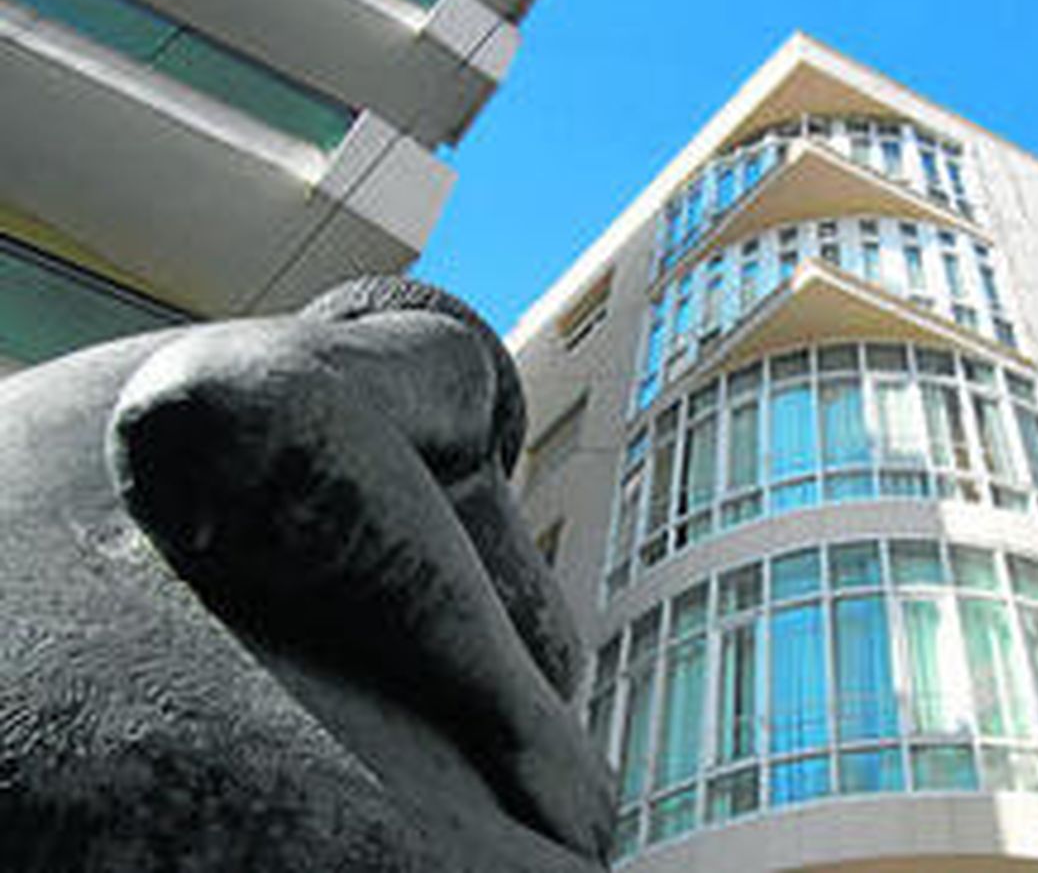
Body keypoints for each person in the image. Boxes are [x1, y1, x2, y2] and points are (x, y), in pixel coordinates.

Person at [0, 277, 613, 871]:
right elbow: (241, 395)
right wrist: (533, 729)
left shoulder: (64, 389)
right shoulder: (451, 352)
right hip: (112, 738)